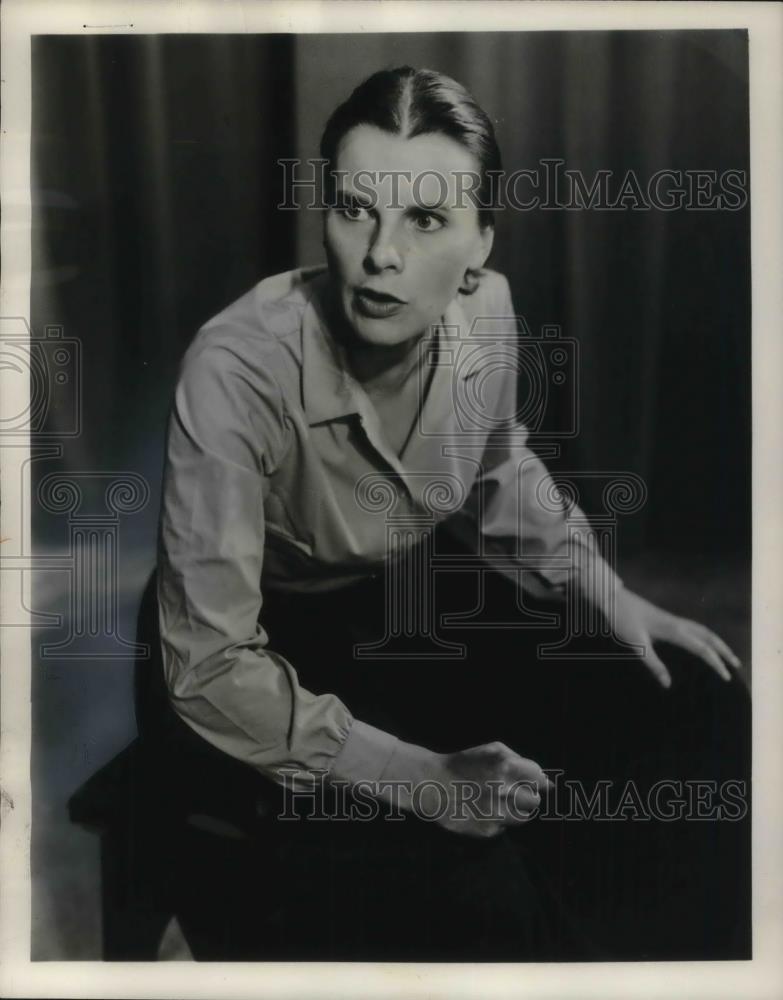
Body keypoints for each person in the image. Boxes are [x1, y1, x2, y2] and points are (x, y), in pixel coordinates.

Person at [152, 66, 749, 961]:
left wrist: (607, 593)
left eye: (425, 219)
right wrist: (423, 779)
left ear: (479, 245)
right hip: (255, 646)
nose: (381, 253)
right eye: (356, 209)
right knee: (478, 883)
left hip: (404, 600)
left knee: (695, 700)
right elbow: (207, 666)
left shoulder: (488, 310)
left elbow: (499, 466)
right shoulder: (236, 366)